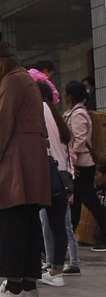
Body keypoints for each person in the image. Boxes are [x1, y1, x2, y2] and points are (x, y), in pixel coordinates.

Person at [0, 32, 51, 297]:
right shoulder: (23, 79)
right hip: (29, 165)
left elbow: (2, 125)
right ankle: (29, 285)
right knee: (27, 223)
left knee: (7, 224)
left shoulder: (11, 82)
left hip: (14, 164)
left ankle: (14, 286)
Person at [37, 83, 73, 286]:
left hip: (46, 177)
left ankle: (38, 268)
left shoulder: (39, 110)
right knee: (58, 226)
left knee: (36, 224)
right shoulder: (56, 114)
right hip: (62, 177)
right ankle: (56, 271)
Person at [64, 82, 106, 251]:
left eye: (66, 93)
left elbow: (80, 140)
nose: (64, 96)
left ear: (70, 96)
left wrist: (71, 160)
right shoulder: (74, 112)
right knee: (76, 203)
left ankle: (104, 236)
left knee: (90, 201)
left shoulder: (79, 114)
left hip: (82, 164)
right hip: (79, 164)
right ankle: (69, 238)